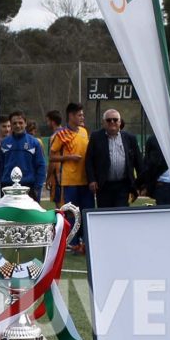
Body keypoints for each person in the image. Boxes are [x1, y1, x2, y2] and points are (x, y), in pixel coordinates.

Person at [51, 103, 92, 252]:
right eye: (79, 115)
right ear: (71, 116)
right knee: (72, 213)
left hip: (86, 180)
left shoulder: (84, 131)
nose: (82, 117)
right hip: (70, 181)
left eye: (82, 114)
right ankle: (72, 242)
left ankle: (86, 242)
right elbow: (52, 157)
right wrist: (69, 157)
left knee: (87, 212)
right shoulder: (61, 134)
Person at [86, 107, 143, 209]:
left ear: (120, 122)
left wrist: (140, 184)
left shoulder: (130, 138)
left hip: (123, 185)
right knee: (105, 214)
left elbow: (138, 162)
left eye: (115, 120)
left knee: (121, 213)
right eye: (108, 120)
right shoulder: (96, 137)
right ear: (104, 123)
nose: (112, 122)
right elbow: (89, 160)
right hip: (103, 186)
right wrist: (92, 180)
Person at [0, 110, 47, 201]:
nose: (17, 125)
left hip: (28, 188)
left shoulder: (34, 143)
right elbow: (0, 167)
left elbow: (41, 166)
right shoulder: (4, 143)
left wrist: (38, 187)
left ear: (25, 124)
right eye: (14, 123)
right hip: (8, 188)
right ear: (11, 125)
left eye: (20, 123)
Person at [43, 109, 64, 207]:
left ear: (52, 121)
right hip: (68, 176)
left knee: (59, 207)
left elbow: (53, 160)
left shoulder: (55, 137)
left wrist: (48, 178)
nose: (47, 124)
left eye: (47, 121)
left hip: (58, 177)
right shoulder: (67, 133)